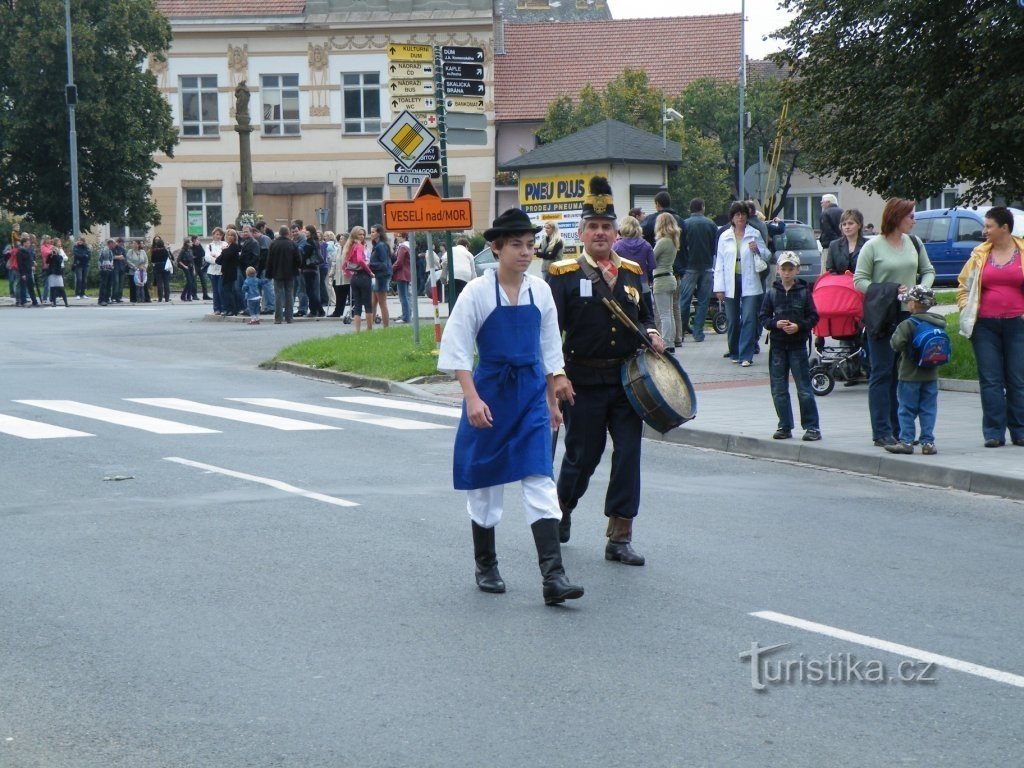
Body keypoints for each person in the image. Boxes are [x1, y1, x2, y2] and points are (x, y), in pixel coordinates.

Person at [437, 208, 583, 605]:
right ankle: (486, 563)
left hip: (532, 395)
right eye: (516, 245)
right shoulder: (477, 292)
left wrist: (554, 396)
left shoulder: (541, 290)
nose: (525, 252)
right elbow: (457, 349)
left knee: (540, 478)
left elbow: (551, 349)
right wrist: (471, 399)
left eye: (530, 245)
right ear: (496, 249)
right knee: (485, 484)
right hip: (490, 395)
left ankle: (553, 577)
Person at [548, 176, 665, 564]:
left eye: (606, 227)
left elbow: (647, 313)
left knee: (629, 452)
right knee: (584, 453)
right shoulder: (563, 275)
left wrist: (652, 332)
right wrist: (557, 376)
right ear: (581, 233)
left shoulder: (631, 270)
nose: (600, 233)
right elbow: (549, 333)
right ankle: (563, 505)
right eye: (593, 227)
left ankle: (620, 535)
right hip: (580, 380)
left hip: (627, 380)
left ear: (616, 232)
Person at [854, 198, 935, 447]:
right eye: (910, 216)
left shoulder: (914, 242)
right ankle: (881, 431)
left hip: (909, 315)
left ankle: (900, 428)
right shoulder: (873, 246)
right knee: (882, 372)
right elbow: (859, 281)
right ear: (896, 217)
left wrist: (920, 290)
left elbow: (928, 270)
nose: (914, 220)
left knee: (904, 373)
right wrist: (889, 291)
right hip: (883, 315)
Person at [956, 206, 1024, 448]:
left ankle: (1020, 430)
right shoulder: (980, 254)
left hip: (1017, 324)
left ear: (1004, 228)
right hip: (984, 325)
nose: (984, 231)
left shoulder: (1022, 252)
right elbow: (963, 285)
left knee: (1017, 378)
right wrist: (966, 307)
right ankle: (994, 432)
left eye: (989, 226)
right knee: (991, 379)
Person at [759, 252, 820, 441]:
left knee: (804, 387)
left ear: (797, 270)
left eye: (790, 269)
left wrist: (799, 326)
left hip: (798, 345)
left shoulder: (803, 291)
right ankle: (784, 425)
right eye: (783, 269)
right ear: (777, 270)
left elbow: (813, 316)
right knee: (778, 387)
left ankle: (812, 427)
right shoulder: (772, 292)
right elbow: (763, 317)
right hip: (777, 345)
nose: (786, 273)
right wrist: (774, 324)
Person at [886, 285, 946, 455]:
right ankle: (927, 442)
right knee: (928, 409)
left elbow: (896, 345)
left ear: (912, 304)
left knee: (906, 409)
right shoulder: (938, 322)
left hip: (909, 375)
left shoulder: (908, 324)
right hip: (931, 374)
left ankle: (906, 441)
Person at [714, 201, 768, 367]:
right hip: (730, 280)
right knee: (732, 319)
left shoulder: (754, 233)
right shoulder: (724, 236)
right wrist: (719, 288)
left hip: (749, 280)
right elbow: (719, 264)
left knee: (749, 318)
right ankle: (735, 351)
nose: (740, 217)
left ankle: (746, 354)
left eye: (743, 214)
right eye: (737, 214)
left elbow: (767, 254)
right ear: (732, 218)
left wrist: (757, 250)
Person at [676, 198, 718, 343]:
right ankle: (698, 333)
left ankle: (680, 332)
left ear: (690, 208)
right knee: (703, 301)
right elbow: (715, 246)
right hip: (706, 266)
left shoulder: (685, 224)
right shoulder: (711, 224)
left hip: (689, 267)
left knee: (684, 300)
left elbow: (680, 246)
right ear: (702, 207)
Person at [612, 215, 656, 318]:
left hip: (624, 287)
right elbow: (652, 265)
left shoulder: (617, 246)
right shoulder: (646, 245)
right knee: (647, 317)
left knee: (628, 318)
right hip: (643, 285)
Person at [652, 212, 680, 351]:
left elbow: (651, 258)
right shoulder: (673, 240)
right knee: (669, 313)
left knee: (664, 314)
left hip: (661, 279)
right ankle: (671, 342)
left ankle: (667, 343)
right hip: (670, 277)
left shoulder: (663, 241)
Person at [266, 226, 300, 324]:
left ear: (280, 233)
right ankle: (289, 317)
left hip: (277, 273)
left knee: (278, 295)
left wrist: (269, 273)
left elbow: (269, 260)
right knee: (289, 294)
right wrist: (296, 267)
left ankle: (278, 318)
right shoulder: (292, 244)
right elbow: (298, 259)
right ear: (288, 233)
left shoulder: (273, 244)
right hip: (290, 272)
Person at [343, 227, 374, 332]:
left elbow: (344, 265)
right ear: (355, 235)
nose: (362, 236)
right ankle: (369, 329)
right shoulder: (359, 246)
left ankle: (357, 330)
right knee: (368, 304)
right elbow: (361, 260)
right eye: (360, 234)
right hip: (364, 276)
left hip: (354, 278)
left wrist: (350, 272)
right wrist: (370, 271)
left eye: (363, 234)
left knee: (357, 304)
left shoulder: (349, 246)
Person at [825, 208, 867, 275]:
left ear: (859, 225)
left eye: (850, 223)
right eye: (844, 224)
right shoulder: (834, 245)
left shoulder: (868, 244)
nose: (847, 227)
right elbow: (830, 270)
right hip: (840, 283)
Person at [367, 224, 391, 326]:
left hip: (382, 276)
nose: (371, 234)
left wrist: (369, 265)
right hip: (377, 276)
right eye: (371, 232)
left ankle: (386, 328)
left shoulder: (381, 246)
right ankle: (370, 327)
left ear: (379, 233)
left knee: (382, 303)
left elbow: (383, 264)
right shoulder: (377, 245)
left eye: (373, 232)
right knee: (373, 303)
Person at [300, 224, 325, 319]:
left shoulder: (309, 243)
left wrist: (300, 264)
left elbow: (304, 256)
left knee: (310, 291)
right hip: (313, 268)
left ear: (310, 232)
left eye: (306, 230)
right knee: (312, 290)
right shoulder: (315, 242)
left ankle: (316, 310)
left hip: (308, 268)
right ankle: (316, 310)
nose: (305, 232)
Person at [216, 229, 241, 316]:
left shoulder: (234, 246)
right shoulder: (227, 247)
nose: (229, 237)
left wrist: (223, 251)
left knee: (228, 291)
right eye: (228, 235)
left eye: (232, 235)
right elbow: (218, 260)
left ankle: (232, 309)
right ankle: (227, 308)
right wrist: (224, 252)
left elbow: (227, 255)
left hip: (231, 272)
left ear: (234, 237)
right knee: (223, 291)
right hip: (225, 271)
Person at [391, 232, 412, 323]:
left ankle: (405, 317)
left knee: (403, 296)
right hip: (407, 273)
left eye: (399, 236)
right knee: (406, 296)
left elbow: (399, 262)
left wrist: (390, 269)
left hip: (401, 274)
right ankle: (406, 315)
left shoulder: (402, 247)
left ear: (403, 237)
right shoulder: (408, 246)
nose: (397, 238)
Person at [448, 237, 476, 304]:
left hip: (453, 275)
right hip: (465, 276)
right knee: (462, 297)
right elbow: (473, 271)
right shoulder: (469, 254)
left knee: (452, 297)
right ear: (466, 245)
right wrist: (474, 282)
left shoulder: (451, 250)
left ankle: (451, 312)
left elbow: (444, 259)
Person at [205, 228, 226, 313]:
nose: (218, 236)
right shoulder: (209, 246)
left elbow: (224, 255)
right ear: (213, 235)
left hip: (222, 270)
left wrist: (216, 257)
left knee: (221, 289)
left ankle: (223, 307)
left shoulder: (225, 244)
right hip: (213, 270)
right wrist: (217, 259)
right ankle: (216, 308)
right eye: (216, 234)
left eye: (220, 234)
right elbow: (208, 257)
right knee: (215, 290)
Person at [126, 239, 148, 304]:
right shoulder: (130, 251)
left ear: (138, 245)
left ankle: (143, 298)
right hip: (133, 271)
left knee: (143, 285)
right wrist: (135, 267)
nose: (134, 245)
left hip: (142, 272)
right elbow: (128, 261)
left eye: (135, 243)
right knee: (133, 285)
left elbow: (146, 261)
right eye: (133, 243)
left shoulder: (142, 251)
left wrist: (145, 267)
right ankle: (134, 299)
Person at [151, 236, 172, 302]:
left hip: (157, 267)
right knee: (166, 283)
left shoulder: (154, 251)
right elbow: (169, 258)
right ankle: (167, 298)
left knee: (159, 283)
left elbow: (152, 260)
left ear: (157, 245)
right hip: (165, 267)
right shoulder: (165, 251)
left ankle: (160, 298)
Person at [47, 243, 69, 307]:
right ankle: (54, 303)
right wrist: (51, 255)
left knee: (61, 288)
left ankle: (66, 302)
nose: (54, 251)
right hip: (51, 274)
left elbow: (59, 261)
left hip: (58, 274)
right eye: (53, 250)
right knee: (53, 288)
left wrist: (55, 255)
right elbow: (47, 262)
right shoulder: (50, 256)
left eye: (55, 250)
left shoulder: (60, 256)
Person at [97, 239, 115, 305]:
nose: (114, 245)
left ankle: (107, 298)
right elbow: (101, 260)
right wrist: (102, 268)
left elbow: (111, 260)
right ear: (110, 244)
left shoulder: (110, 251)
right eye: (113, 244)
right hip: (104, 269)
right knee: (103, 285)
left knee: (108, 285)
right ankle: (101, 300)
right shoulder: (105, 250)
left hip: (109, 269)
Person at [111, 237, 127, 303]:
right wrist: (119, 257)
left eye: (122, 243)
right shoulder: (113, 249)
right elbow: (112, 256)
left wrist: (119, 257)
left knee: (121, 284)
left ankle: (119, 297)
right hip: (115, 268)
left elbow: (125, 257)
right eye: (120, 243)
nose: (121, 245)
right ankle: (114, 297)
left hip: (122, 268)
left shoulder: (122, 249)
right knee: (116, 283)